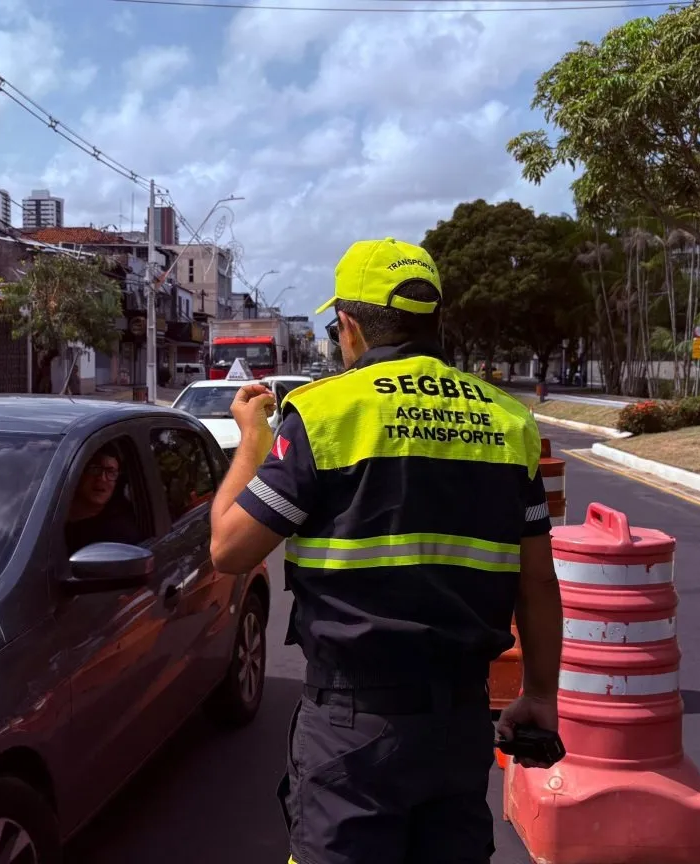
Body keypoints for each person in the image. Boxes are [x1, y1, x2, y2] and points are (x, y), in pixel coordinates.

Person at [209, 238, 564, 864]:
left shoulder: (324, 414)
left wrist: (253, 439)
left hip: (351, 727)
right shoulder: (509, 424)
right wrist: (540, 693)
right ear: (434, 319)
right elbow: (537, 582)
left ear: (348, 325)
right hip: (458, 727)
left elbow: (229, 549)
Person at [65, 445, 143, 554]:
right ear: (79, 473)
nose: (102, 478)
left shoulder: (119, 531)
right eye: (95, 469)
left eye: (111, 472)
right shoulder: (49, 511)